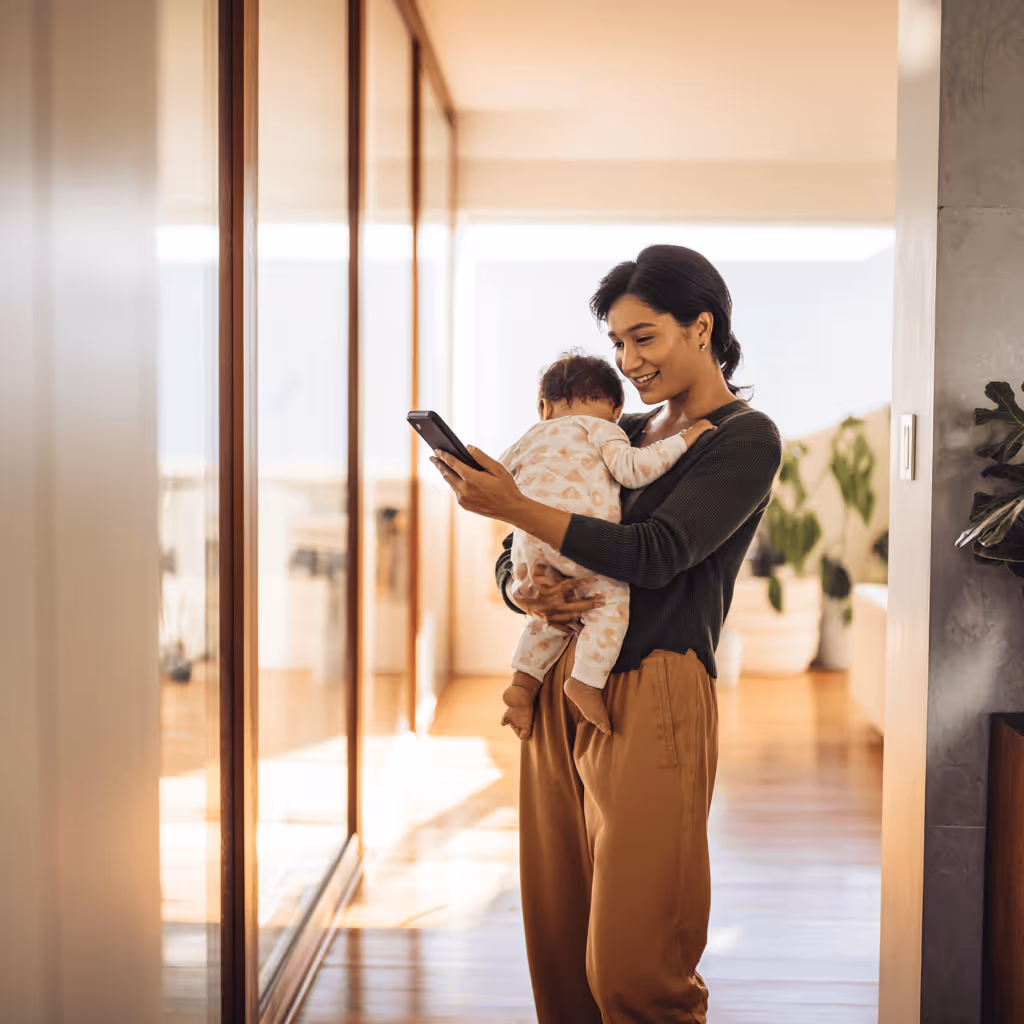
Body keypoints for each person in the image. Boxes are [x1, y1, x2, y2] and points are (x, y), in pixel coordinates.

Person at [430, 244, 782, 1024]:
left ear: (703, 327)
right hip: (559, 685)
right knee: (558, 952)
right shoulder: (613, 428)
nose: (627, 360)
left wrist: (515, 508)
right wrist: (531, 596)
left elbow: (656, 557)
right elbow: (514, 557)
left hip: (652, 687)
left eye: (644, 337)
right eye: (618, 343)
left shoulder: (742, 440)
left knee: (634, 967)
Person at [499, 351, 714, 735]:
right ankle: (585, 681)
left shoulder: (531, 436)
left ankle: (522, 685)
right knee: (608, 601)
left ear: (544, 407)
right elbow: (634, 470)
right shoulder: (604, 429)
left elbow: (495, 480)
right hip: (581, 543)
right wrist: (686, 439)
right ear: (615, 407)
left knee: (551, 613)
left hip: (529, 548)